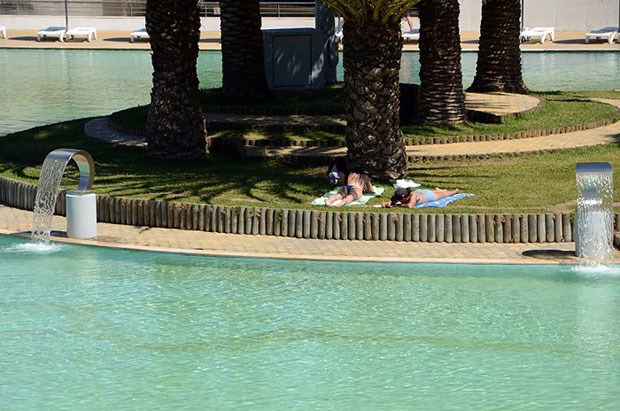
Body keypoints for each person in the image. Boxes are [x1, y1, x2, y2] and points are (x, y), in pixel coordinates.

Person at [382, 187, 459, 208]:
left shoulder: (413, 196)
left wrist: (399, 205)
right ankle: (441, 190)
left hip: (429, 196)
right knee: (436, 191)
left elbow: (410, 206)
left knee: (445, 194)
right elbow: (392, 200)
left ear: (404, 198)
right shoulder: (401, 196)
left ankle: (454, 191)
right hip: (421, 192)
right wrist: (387, 204)